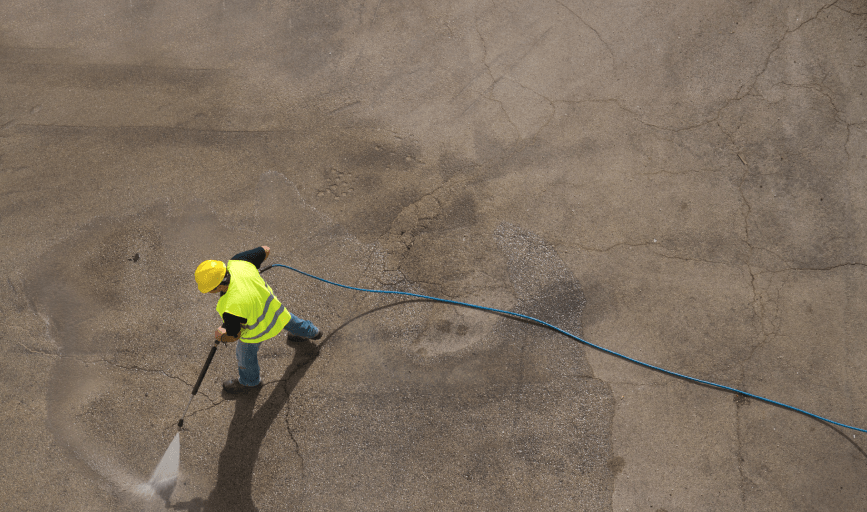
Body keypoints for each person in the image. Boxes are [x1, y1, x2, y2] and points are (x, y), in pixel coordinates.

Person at [194, 246, 322, 393]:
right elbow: (266, 250)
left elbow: (234, 335)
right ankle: (313, 332)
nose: (209, 292)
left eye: (209, 289)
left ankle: (250, 381)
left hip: (255, 331)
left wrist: (221, 335)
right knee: (290, 320)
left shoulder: (230, 307)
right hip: (275, 311)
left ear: (219, 286)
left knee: (244, 354)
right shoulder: (238, 261)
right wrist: (251, 272)